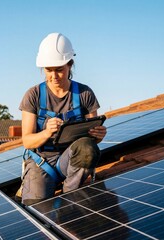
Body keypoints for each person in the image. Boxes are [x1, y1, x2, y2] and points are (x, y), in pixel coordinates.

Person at [18, 33, 107, 205]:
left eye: (59, 69)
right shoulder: (33, 95)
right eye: (49, 70)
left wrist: (98, 135)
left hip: (72, 158)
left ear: (70, 65)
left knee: (88, 148)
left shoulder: (84, 94)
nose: (54, 76)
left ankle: (70, 197)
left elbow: (90, 140)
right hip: (41, 161)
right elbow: (27, 141)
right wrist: (46, 132)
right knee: (37, 208)